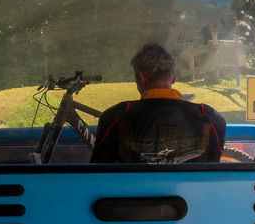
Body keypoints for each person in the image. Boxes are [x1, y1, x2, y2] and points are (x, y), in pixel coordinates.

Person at [91, 43, 225, 163]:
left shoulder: (116, 117)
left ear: (142, 78)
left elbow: (98, 173)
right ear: (174, 78)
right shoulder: (211, 119)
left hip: (133, 190)